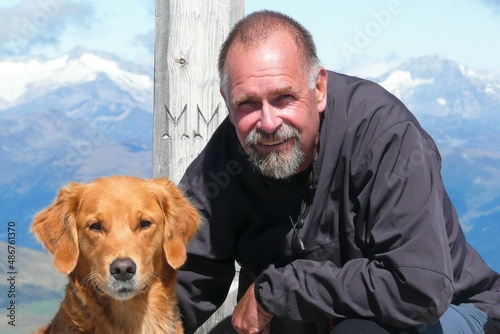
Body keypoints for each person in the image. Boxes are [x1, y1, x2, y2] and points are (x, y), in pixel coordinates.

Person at [176, 10, 500, 334]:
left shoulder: (386, 137)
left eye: (284, 97)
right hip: (306, 319)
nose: (269, 123)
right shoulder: (223, 162)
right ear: (227, 102)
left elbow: (418, 289)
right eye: (247, 103)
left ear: (319, 88)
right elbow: (183, 280)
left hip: (452, 310)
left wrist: (282, 289)